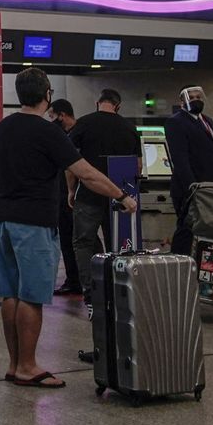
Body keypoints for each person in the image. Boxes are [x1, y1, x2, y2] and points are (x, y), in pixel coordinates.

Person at [0, 68, 136, 389]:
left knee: (10, 295)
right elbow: (86, 173)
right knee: (31, 295)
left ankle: (14, 364)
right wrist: (122, 195)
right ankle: (28, 366)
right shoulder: (49, 132)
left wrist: (10, 201)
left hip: (2, 219)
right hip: (34, 222)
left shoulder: (0, 130)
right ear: (47, 95)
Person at [67, 89, 141, 314]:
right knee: (117, 245)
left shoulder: (83, 123)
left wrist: (71, 190)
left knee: (83, 243)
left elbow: (70, 163)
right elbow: (137, 166)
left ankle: (91, 297)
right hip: (120, 197)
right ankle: (118, 294)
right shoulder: (129, 127)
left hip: (88, 194)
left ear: (98, 102)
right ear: (118, 106)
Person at [164, 85, 213, 258]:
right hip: (193, 188)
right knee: (187, 229)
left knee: (210, 231)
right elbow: (180, 159)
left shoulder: (208, 121)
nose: (196, 100)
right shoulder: (176, 122)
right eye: (191, 97)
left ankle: (205, 266)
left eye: (198, 97)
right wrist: (193, 187)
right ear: (182, 102)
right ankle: (179, 264)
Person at [48, 99, 83, 297]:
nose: (51, 120)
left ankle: (75, 280)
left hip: (69, 194)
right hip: (77, 193)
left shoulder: (69, 136)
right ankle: (78, 278)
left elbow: (70, 167)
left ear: (62, 115)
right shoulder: (79, 133)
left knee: (70, 238)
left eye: (52, 116)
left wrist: (70, 190)